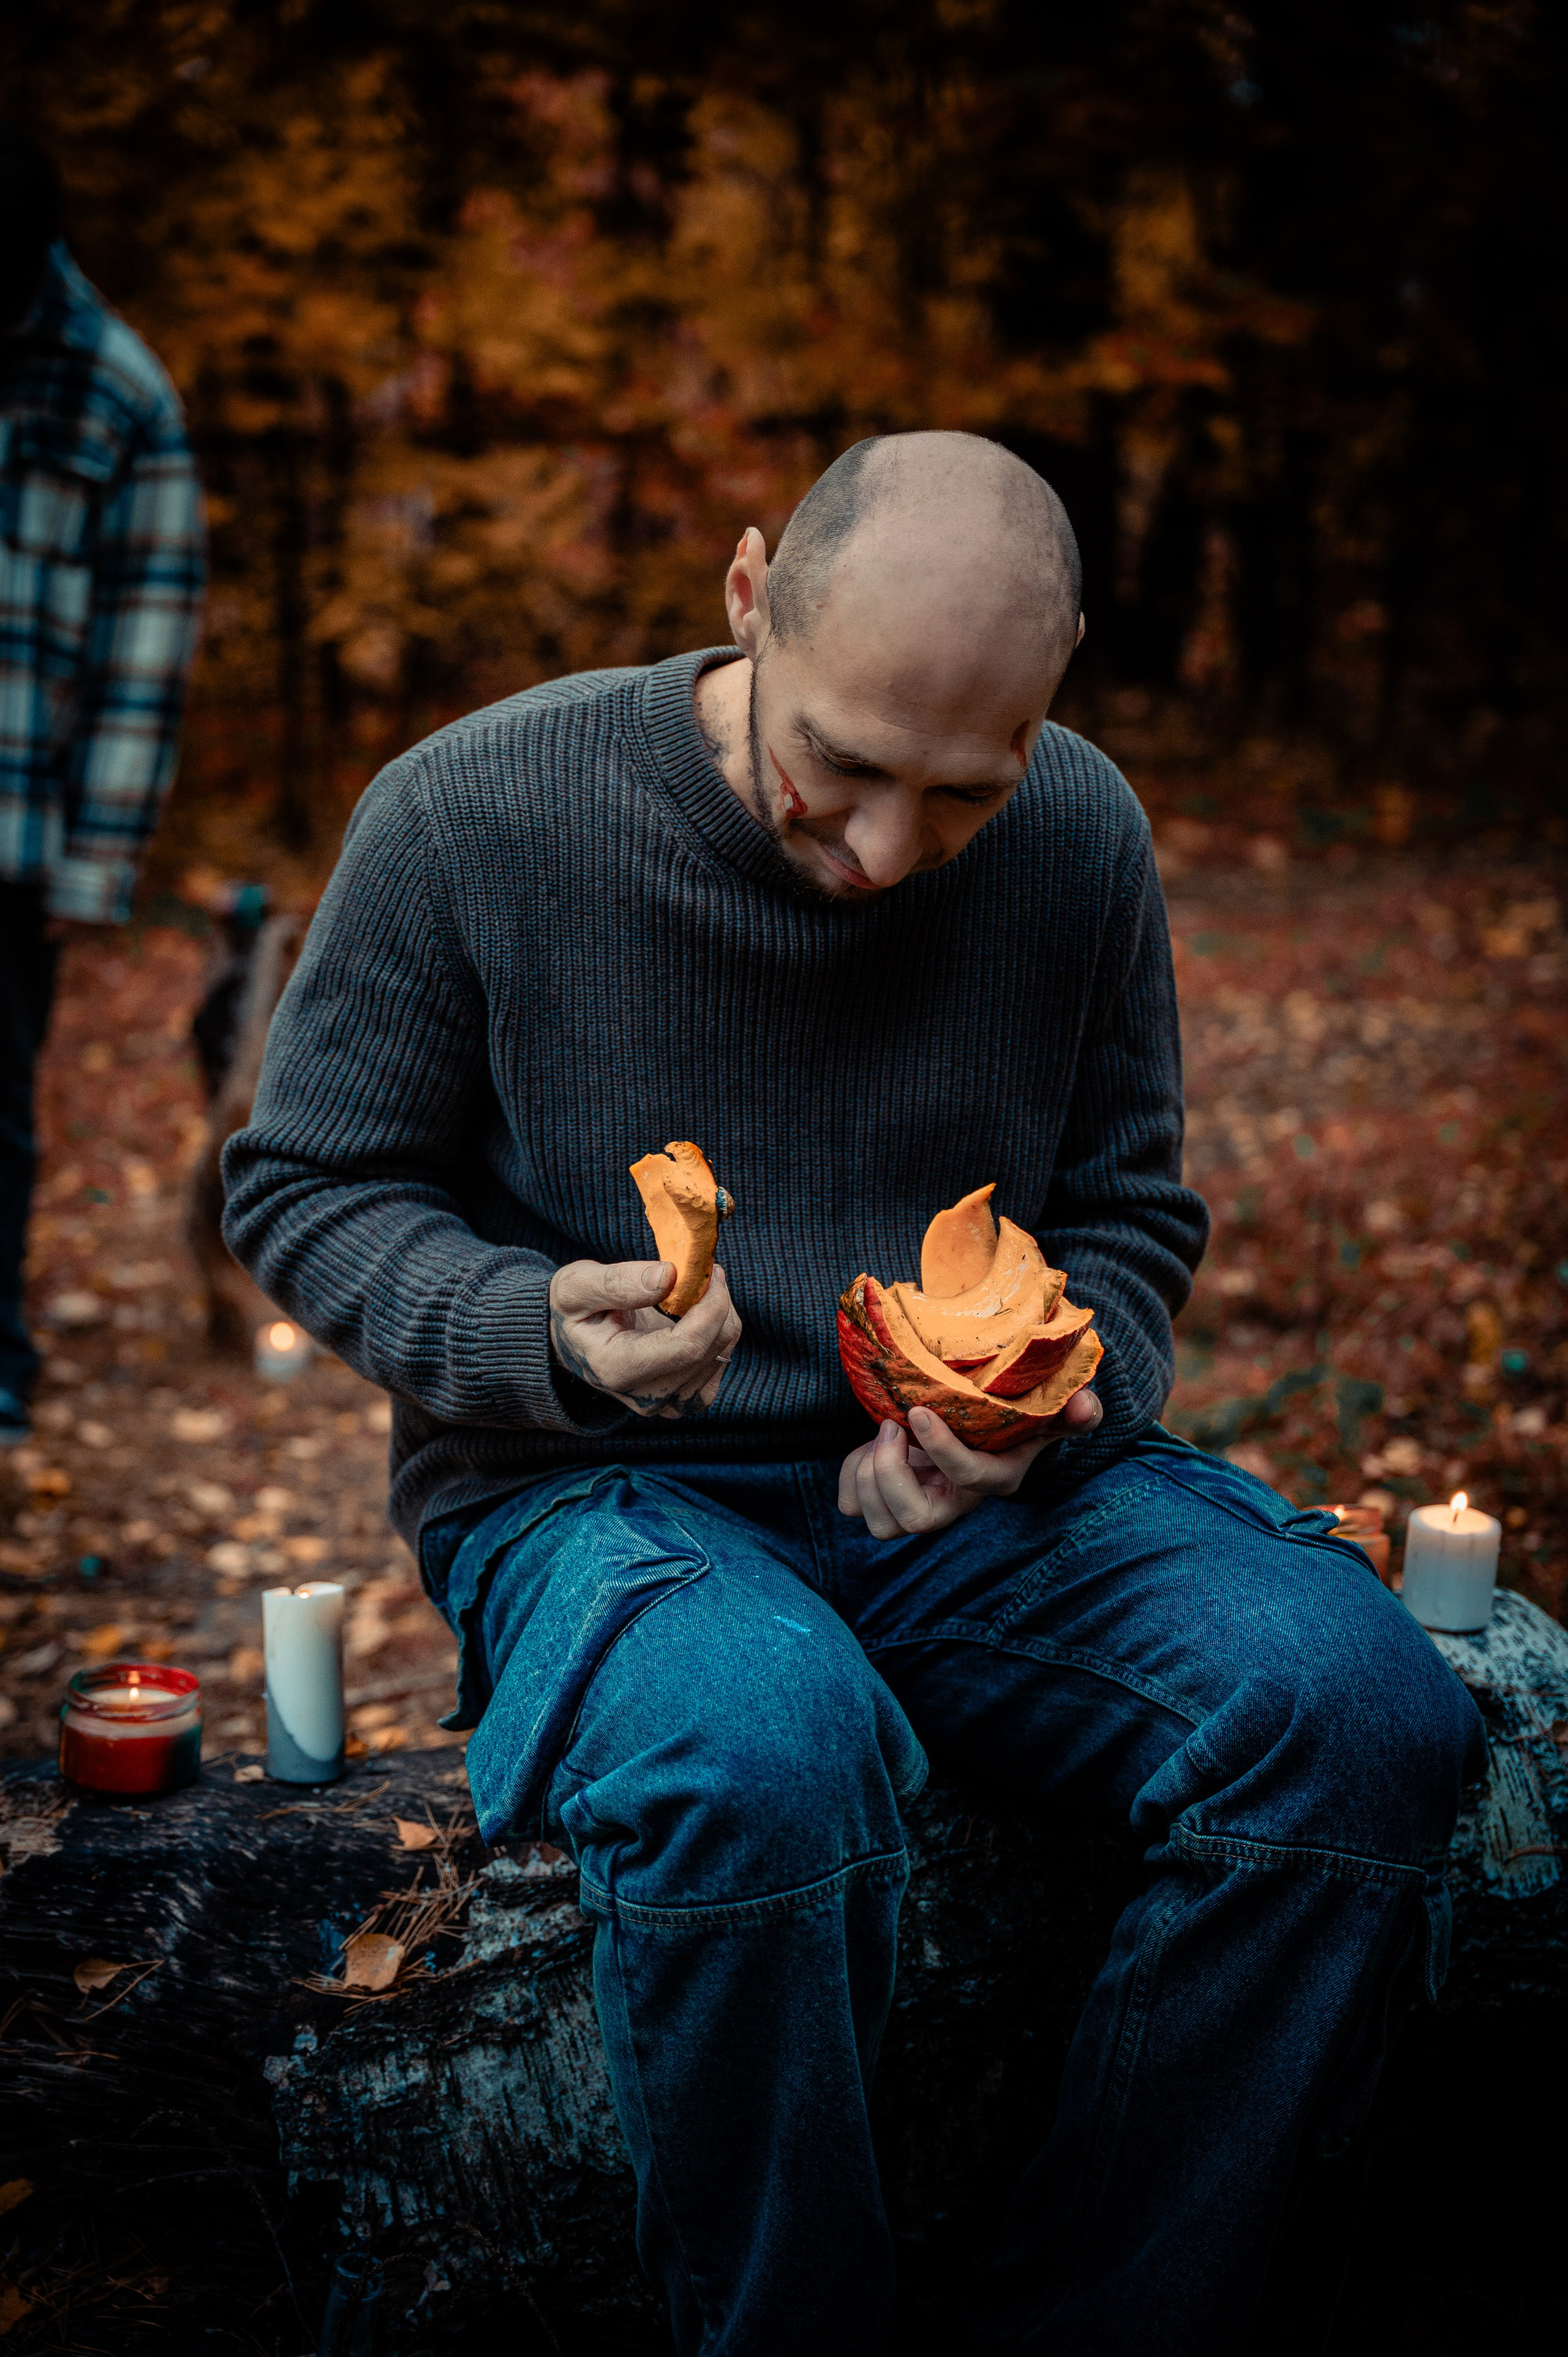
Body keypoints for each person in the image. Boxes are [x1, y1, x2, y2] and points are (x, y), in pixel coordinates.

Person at [223, 431, 1482, 2355]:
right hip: (590, 1493)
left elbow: (1130, 1212)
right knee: (756, 1750)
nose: (888, 852)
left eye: (963, 792)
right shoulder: (475, 808)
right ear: (749, 598)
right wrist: (543, 1328)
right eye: (843, 765)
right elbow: (303, 1184)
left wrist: (1048, 1413)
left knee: (1363, 1714)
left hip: (990, 1512)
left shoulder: (1085, 834)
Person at [0, 129, 205, 1444]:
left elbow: (145, 640)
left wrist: (92, 863)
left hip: (9, 833)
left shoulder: (112, 389)